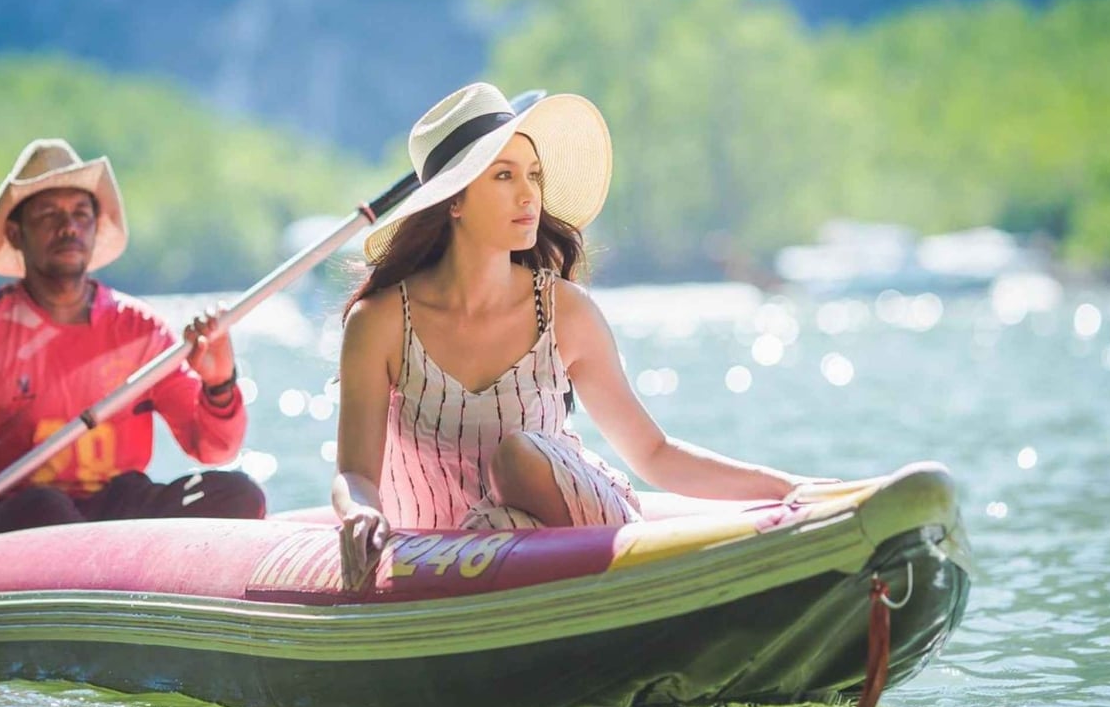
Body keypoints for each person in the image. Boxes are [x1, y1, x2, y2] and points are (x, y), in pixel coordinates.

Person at [333, 83, 828, 588]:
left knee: (518, 457)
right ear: (454, 201)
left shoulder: (563, 310)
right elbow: (356, 475)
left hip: (586, 533)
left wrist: (787, 487)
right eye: (504, 176)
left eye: (534, 175)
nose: (529, 195)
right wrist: (361, 513)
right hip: (447, 566)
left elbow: (653, 453)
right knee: (500, 524)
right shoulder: (380, 323)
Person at [0, 138, 266, 540]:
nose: (68, 226)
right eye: (48, 214)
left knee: (240, 495)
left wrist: (219, 384)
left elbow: (214, 449)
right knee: (46, 508)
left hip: (119, 510)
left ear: (95, 227)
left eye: (80, 213)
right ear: (16, 234)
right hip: (16, 519)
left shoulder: (140, 330)